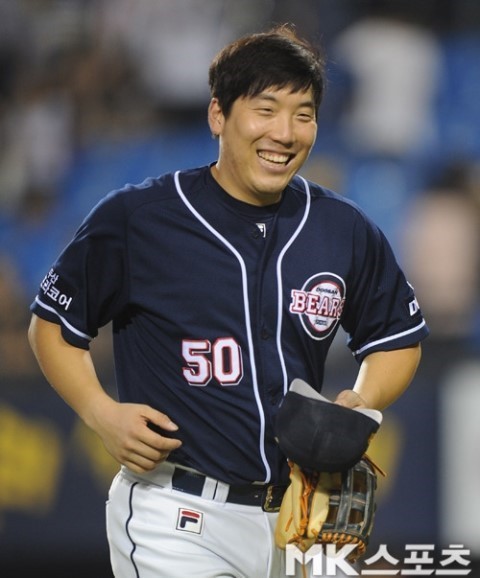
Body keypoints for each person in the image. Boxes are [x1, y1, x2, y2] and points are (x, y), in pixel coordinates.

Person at [28, 25, 428, 578]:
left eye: (304, 114)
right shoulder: (140, 218)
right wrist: (100, 412)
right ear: (218, 114)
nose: (284, 132)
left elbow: (396, 339)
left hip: (296, 518)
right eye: (266, 110)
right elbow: (52, 325)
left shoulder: (342, 228)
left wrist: (362, 398)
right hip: (175, 510)